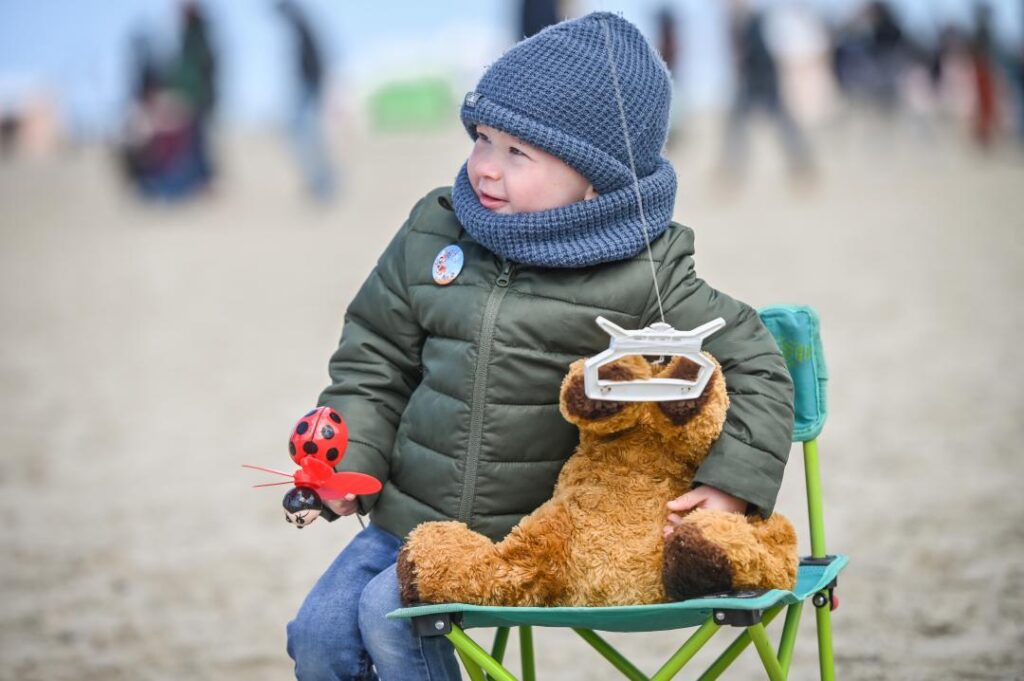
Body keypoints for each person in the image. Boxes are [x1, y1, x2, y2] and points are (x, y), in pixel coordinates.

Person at [286, 13, 794, 681]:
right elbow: (375, 357)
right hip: (403, 516)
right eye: (483, 138)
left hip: (532, 534)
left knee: (390, 615)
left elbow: (759, 364)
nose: (486, 168)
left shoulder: (644, 269)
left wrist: (730, 485)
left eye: (517, 153)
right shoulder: (435, 232)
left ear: (593, 178)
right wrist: (348, 463)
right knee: (317, 634)